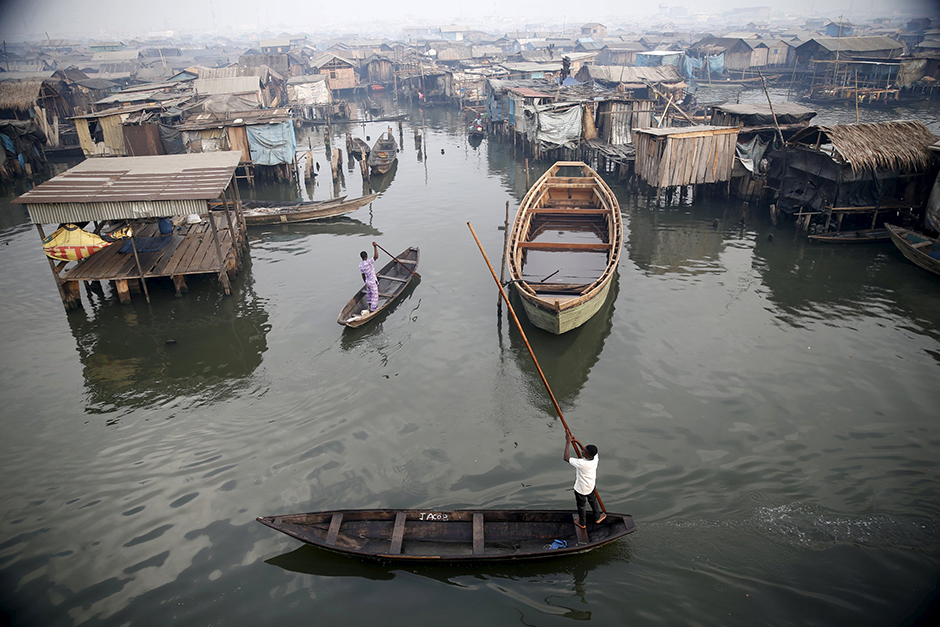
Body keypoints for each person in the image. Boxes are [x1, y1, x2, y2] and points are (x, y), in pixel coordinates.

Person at [563, 432, 606, 528]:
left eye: (584, 452)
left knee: (581, 506)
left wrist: (568, 442)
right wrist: (577, 441)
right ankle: (597, 517)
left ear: (588, 456)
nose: (582, 451)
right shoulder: (595, 458)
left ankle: (582, 523)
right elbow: (586, 450)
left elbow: (566, 458)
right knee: (593, 501)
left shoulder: (582, 463)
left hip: (581, 489)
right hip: (590, 486)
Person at [359, 242, 379, 312]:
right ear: (366, 256)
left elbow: (363, 275)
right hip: (372, 281)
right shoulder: (369, 262)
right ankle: (372, 310)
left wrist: (365, 282)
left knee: (370, 295)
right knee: (375, 296)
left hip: (367, 282)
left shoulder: (361, 265)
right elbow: (376, 257)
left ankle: (370, 306)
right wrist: (375, 247)